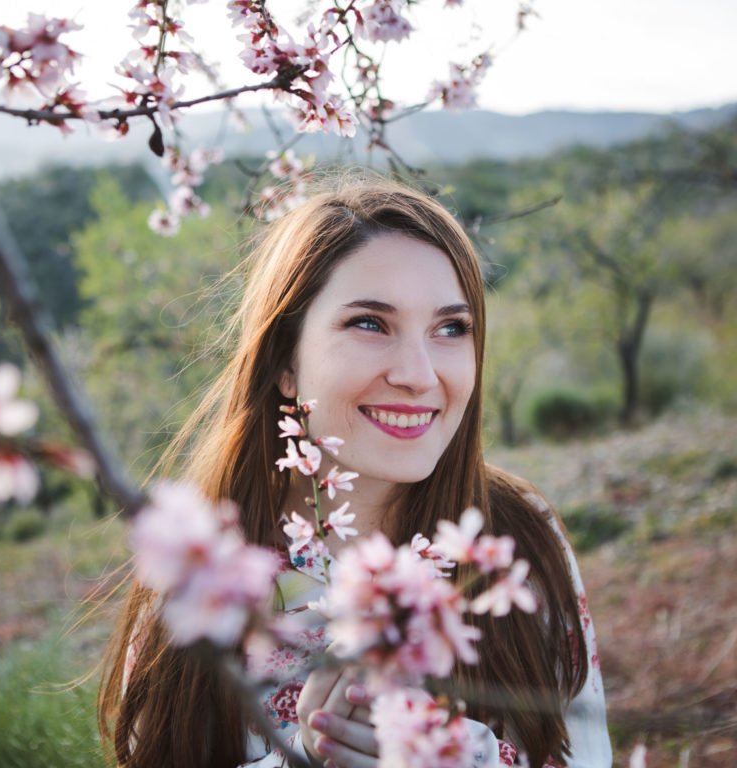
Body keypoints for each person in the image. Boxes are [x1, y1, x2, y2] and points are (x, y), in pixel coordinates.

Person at [98, 176, 612, 768]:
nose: (419, 374)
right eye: (370, 322)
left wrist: (458, 756)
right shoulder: (203, 570)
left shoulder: (515, 539)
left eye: (451, 328)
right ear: (286, 361)